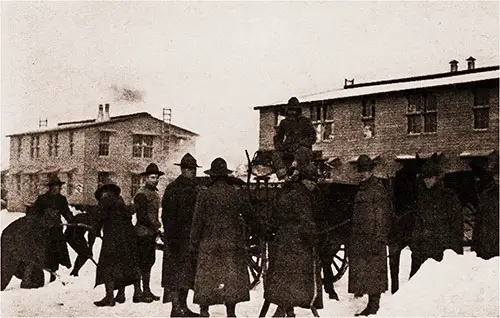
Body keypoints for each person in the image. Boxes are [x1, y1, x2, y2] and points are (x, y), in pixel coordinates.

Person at [190, 158, 251, 317]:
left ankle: (204, 310)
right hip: (231, 242)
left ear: (213, 176)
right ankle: (231, 311)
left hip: (209, 241)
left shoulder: (204, 194)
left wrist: (193, 243)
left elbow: (197, 222)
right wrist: (264, 232)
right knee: (230, 275)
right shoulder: (236, 193)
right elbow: (250, 216)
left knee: (207, 275)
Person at [264, 177, 323, 317]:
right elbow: (306, 222)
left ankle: (288, 311)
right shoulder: (302, 198)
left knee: (284, 275)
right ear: (306, 181)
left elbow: (275, 217)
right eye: (313, 183)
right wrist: (315, 239)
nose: (314, 186)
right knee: (296, 276)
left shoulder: (286, 194)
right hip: (298, 243)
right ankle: (282, 310)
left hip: (283, 241)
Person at [348, 155, 391, 316]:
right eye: (361, 171)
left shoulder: (377, 189)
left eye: (365, 171)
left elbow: (381, 216)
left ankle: (374, 306)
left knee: (374, 272)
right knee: (365, 272)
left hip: (373, 238)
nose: (363, 174)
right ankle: (370, 305)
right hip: (360, 238)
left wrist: (379, 238)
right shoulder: (362, 189)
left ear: (371, 171)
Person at [161, 153, 201, 317]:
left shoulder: (193, 188)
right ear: (183, 170)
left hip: (187, 238)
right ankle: (176, 308)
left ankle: (183, 307)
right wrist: (172, 236)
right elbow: (167, 215)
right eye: (190, 170)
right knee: (176, 275)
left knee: (186, 275)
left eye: (194, 170)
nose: (193, 173)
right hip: (177, 238)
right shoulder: (174, 189)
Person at [410, 156, 463, 278]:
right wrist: (415, 246)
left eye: (430, 178)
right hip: (423, 250)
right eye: (425, 178)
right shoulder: (422, 197)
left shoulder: (448, 197)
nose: (427, 181)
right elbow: (418, 224)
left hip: (442, 250)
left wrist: (453, 251)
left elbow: (456, 224)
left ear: (437, 178)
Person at [93, 181, 142, 307]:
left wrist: (95, 230)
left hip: (113, 237)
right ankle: (121, 294)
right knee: (123, 264)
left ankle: (109, 297)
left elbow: (99, 217)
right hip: (128, 237)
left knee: (108, 265)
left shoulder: (105, 199)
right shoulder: (119, 200)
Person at [32, 175, 74, 282]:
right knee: (45, 252)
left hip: (56, 230)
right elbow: (34, 214)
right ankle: (42, 274)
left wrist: (73, 220)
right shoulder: (42, 199)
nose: (59, 189)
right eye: (56, 187)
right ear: (51, 187)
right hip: (44, 231)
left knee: (57, 252)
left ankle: (53, 274)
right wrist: (43, 221)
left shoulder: (61, 199)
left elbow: (66, 213)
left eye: (60, 187)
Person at [133, 163, 164, 303]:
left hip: (150, 233)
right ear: (145, 178)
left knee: (149, 262)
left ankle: (146, 290)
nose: (155, 180)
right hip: (142, 233)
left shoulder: (154, 193)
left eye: (157, 177)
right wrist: (155, 226)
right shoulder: (141, 194)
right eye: (152, 177)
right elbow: (142, 217)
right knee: (141, 263)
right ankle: (138, 292)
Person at [272, 97, 317, 181]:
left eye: (294, 110)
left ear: (298, 111)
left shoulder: (305, 121)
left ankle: (295, 169)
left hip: (303, 148)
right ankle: (284, 176)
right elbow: (278, 137)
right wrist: (279, 146)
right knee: (276, 155)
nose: (292, 112)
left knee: (302, 151)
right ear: (287, 111)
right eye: (290, 110)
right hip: (288, 147)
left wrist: (301, 143)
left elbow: (312, 137)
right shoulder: (284, 122)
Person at [471, 162, 499, 260]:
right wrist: (475, 246)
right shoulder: (486, 195)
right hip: (488, 249)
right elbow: (479, 222)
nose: (498, 178)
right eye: (496, 175)